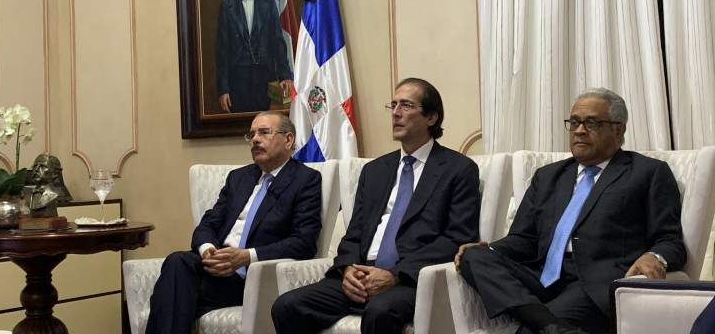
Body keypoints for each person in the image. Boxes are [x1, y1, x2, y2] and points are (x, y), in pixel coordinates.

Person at [455, 88, 686, 334]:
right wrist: (488, 250)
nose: (579, 130)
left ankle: (540, 322)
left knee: (527, 332)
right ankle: (550, 324)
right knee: (473, 256)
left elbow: (670, 241)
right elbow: (524, 240)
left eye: (592, 123)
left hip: (593, 285)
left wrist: (654, 256)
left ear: (619, 130)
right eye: (574, 122)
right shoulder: (547, 177)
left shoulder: (647, 172)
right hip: (542, 275)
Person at [272, 78, 480, 334]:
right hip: (361, 275)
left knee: (380, 311)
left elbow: (457, 238)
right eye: (393, 105)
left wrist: (395, 275)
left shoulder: (458, 169)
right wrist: (348, 269)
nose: (395, 113)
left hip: (412, 280)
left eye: (406, 105)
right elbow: (354, 234)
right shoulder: (374, 171)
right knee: (287, 305)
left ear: (431, 118)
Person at [145, 111, 322, 334]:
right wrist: (208, 251)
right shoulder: (239, 178)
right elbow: (207, 224)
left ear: (288, 140)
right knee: (178, 262)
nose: (255, 139)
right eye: (252, 134)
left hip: (253, 278)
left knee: (171, 296)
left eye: (264, 132)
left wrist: (246, 256)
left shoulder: (305, 180)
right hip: (216, 271)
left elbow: (303, 242)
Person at [215, 0, 293, 113]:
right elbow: (221, 51)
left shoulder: (268, 0)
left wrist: (286, 75)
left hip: (265, 78)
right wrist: (223, 89)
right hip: (238, 81)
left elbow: (278, 41)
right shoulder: (226, 6)